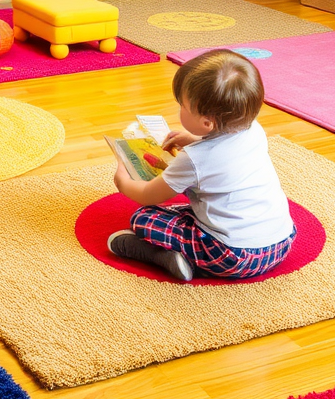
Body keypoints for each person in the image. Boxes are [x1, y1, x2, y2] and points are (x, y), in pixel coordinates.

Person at [108, 49, 295, 283]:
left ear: (207, 122)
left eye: (182, 106)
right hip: (281, 242)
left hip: (230, 255)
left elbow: (148, 196)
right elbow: (223, 149)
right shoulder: (253, 129)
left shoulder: (194, 159)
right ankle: (188, 256)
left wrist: (123, 181)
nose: (179, 109)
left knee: (143, 217)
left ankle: (164, 256)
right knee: (192, 213)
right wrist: (194, 138)